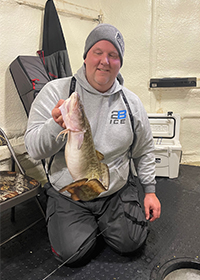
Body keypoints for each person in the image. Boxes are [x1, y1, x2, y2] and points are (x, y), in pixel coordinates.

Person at [25, 23, 161, 266]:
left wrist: (149, 190)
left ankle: (109, 223)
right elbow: (34, 149)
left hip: (114, 191)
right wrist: (56, 125)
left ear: (120, 62)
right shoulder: (56, 92)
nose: (104, 61)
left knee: (132, 243)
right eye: (98, 52)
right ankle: (82, 226)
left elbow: (144, 149)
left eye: (113, 55)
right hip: (70, 192)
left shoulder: (131, 103)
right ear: (86, 55)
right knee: (73, 254)